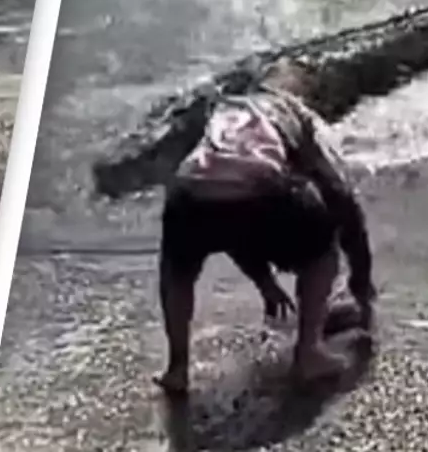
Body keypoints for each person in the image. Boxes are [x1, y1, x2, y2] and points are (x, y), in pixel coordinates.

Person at [153, 58, 377, 396]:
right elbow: (342, 197)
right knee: (322, 250)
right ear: (298, 93)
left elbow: (226, 210)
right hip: (258, 187)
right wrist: (361, 281)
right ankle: (309, 353)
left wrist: (264, 282)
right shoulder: (297, 114)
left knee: (177, 271)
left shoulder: (225, 110)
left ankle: (177, 368)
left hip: (188, 190)